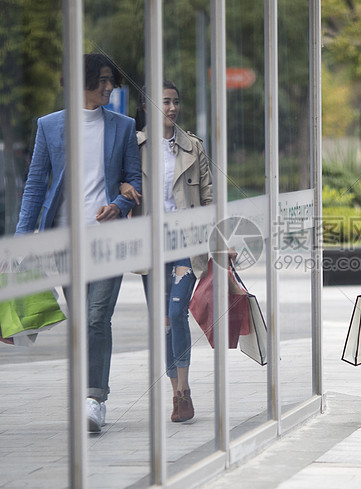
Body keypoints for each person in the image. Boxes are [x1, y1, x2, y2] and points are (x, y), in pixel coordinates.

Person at [15, 53, 142, 433]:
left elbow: (134, 180)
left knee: (97, 317)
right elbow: (36, 183)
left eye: (110, 81)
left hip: (109, 240)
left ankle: (94, 399)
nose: (108, 87)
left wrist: (118, 205)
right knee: (83, 321)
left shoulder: (123, 127)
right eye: (101, 80)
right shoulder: (50, 126)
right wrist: (23, 237)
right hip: (66, 240)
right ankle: (88, 392)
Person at [120, 80, 212, 423]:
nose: (172, 108)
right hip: (152, 245)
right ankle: (176, 396)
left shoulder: (193, 148)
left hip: (186, 244)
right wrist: (124, 186)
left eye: (175, 102)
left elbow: (208, 198)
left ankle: (184, 389)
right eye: (164, 103)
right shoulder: (136, 146)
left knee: (176, 314)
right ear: (148, 107)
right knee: (163, 322)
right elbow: (120, 179)